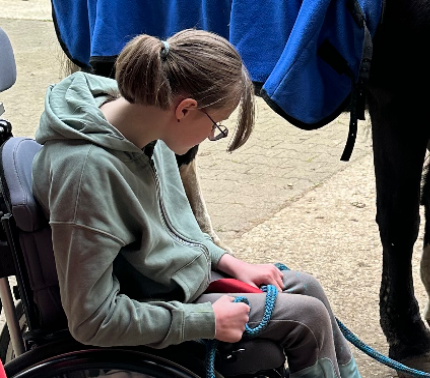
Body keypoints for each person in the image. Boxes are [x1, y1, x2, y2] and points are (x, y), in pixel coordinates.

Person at [32, 29, 359, 378]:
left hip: (177, 279)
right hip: (155, 303)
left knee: (307, 287)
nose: (210, 136)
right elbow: (92, 320)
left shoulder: (143, 124)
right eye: (216, 125)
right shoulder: (86, 175)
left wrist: (231, 262)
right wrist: (207, 320)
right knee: (306, 319)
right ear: (185, 108)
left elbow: (180, 229)